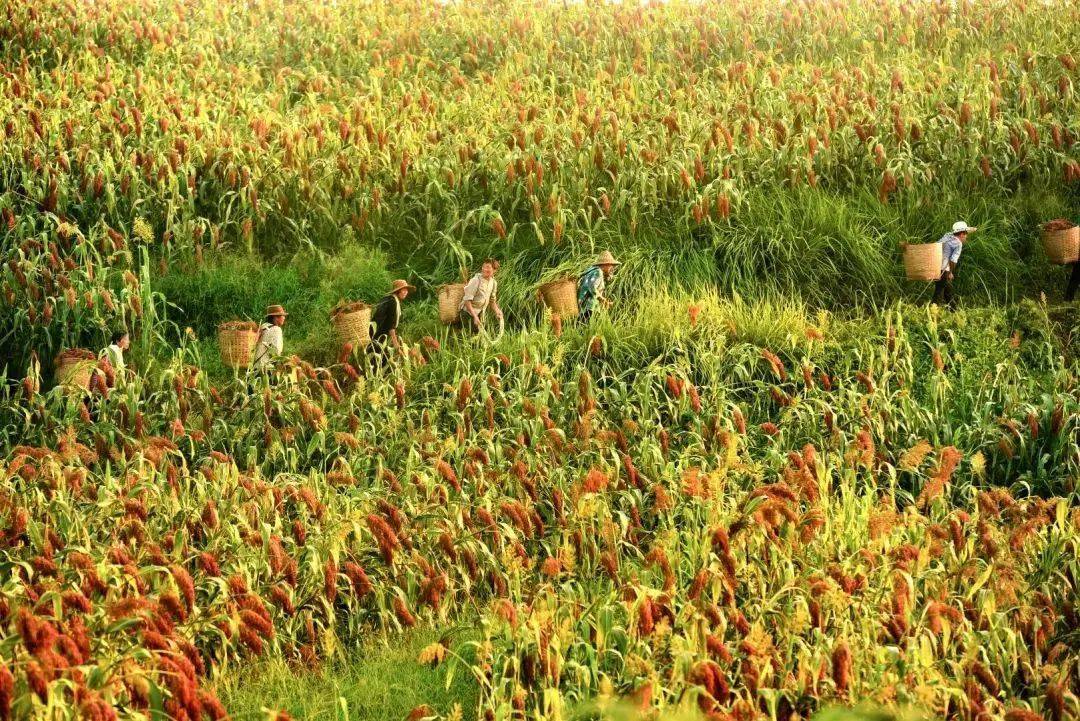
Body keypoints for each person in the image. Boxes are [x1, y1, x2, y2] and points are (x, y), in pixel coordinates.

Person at [369, 279, 414, 370]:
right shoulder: (393, 302)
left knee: (375, 361)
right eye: (403, 290)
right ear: (398, 291)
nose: (406, 292)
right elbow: (391, 326)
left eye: (407, 290)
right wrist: (396, 344)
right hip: (380, 336)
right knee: (382, 363)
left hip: (375, 334)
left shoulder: (388, 299)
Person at [933, 221, 977, 306]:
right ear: (961, 234)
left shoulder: (947, 236)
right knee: (939, 292)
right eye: (966, 234)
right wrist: (950, 273)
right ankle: (933, 310)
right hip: (944, 269)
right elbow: (953, 260)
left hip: (935, 266)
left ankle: (953, 310)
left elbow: (937, 245)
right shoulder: (958, 244)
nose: (966, 237)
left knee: (947, 290)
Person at [459, 259, 503, 333]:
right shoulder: (475, 280)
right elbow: (467, 301)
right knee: (470, 336)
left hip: (480, 313)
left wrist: (497, 311)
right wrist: (475, 317)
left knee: (480, 337)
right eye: (483, 267)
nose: (484, 269)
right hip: (468, 313)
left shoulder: (493, 283)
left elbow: (492, 301)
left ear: (494, 270)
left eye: (488, 267)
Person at [577, 250, 621, 322]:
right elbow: (592, 288)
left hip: (584, 306)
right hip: (590, 306)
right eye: (611, 265)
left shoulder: (591, 271)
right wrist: (603, 300)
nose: (612, 268)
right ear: (605, 264)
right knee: (588, 329)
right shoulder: (598, 272)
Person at [252, 304, 287, 375]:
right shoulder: (276, 329)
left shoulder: (262, 328)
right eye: (282, 316)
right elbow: (276, 351)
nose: (284, 318)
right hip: (267, 369)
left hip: (255, 367)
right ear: (275, 317)